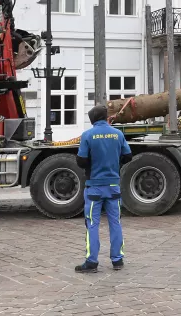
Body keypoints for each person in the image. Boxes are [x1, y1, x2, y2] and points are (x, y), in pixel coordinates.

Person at [75, 105, 132, 272]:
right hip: (113, 185)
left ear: (92, 119)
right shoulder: (118, 134)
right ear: (106, 117)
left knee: (92, 223)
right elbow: (128, 156)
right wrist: (115, 164)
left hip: (94, 187)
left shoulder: (88, 135)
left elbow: (81, 161)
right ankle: (117, 260)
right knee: (115, 222)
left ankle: (92, 261)